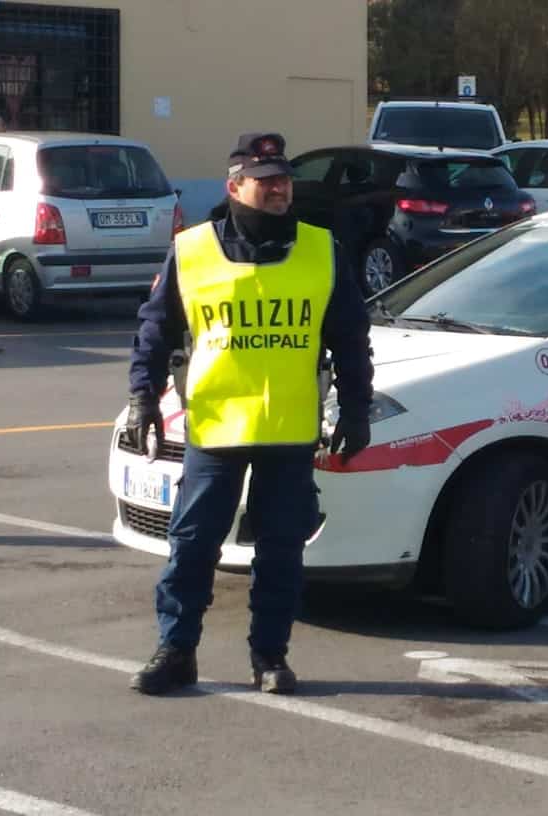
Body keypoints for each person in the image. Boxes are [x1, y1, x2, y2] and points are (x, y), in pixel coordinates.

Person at [126, 132, 374, 695]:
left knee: (281, 551)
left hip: (289, 429)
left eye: (283, 178)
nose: (279, 188)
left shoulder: (322, 249)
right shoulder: (192, 250)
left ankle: (270, 657)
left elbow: (352, 339)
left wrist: (357, 410)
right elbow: (155, 328)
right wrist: (143, 395)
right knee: (192, 545)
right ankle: (176, 650)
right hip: (215, 428)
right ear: (234, 186)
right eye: (265, 181)